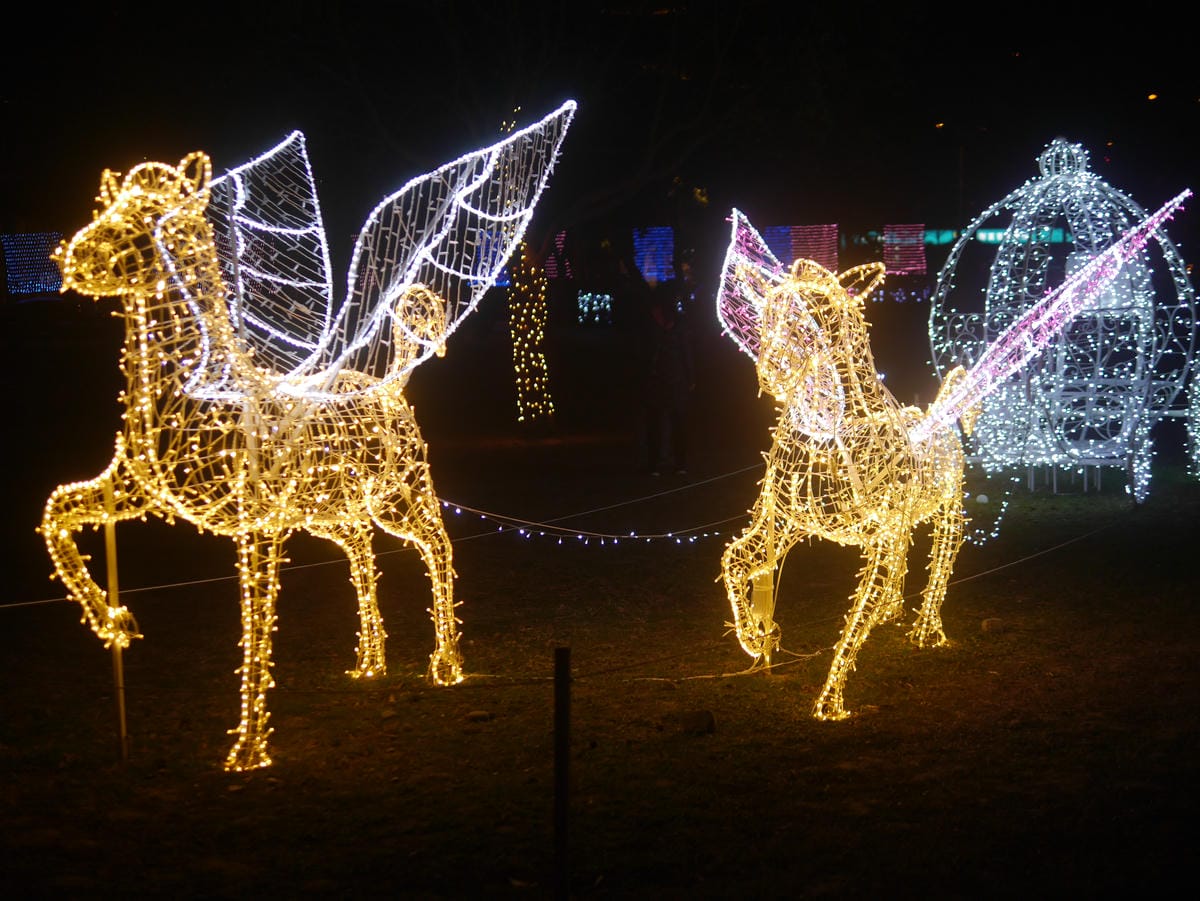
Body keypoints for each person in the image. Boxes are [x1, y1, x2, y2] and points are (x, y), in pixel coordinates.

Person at [642, 281, 695, 476]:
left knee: (656, 422)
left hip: (657, 377)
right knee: (677, 422)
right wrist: (690, 377)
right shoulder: (678, 322)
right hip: (675, 377)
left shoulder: (651, 321)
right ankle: (679, 463)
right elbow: (686, 352)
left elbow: (644, 350)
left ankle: (655, 463)